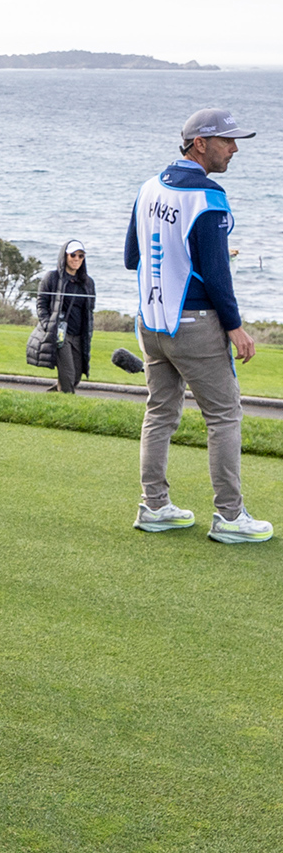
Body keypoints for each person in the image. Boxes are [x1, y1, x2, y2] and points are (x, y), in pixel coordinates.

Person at [123, 108, 273, 544]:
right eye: (228, 141)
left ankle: (154, 507)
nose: (235, 148)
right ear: (200, 143)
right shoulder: (208, 197)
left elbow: (133, 257)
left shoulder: (148, 188)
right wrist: (236, 326)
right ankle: (229, 517)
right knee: (224, 417)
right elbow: (216, 273)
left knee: (160, 413)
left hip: (151, 323)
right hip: (196, 324)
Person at [35, 239, 95, 393]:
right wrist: (49, 326)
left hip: (79, 335)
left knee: (75, 377)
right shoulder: (52, 278)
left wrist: (88, 333)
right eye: (73, 255)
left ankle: (51, 397)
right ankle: (70, 407)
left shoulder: (88, 283)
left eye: (81, 256)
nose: (76, 259)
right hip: (61, 334)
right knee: (67, 376)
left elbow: (89, 310)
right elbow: (42, 303)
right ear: (65, 256)